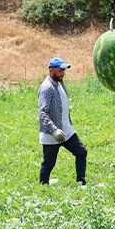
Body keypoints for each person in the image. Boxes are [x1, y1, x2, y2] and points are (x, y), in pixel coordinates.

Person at [38, 56, 87, 185]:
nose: (63, 73)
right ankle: (43, 186)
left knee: (81, 152)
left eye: (64, 70)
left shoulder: (59, 83)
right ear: (51, 70)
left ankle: (81, 183)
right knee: (49, 163)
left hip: (66, 130)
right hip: (52, 133)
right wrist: (54, 130)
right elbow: (42, 113)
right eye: (60, 71)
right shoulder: (46, 87)